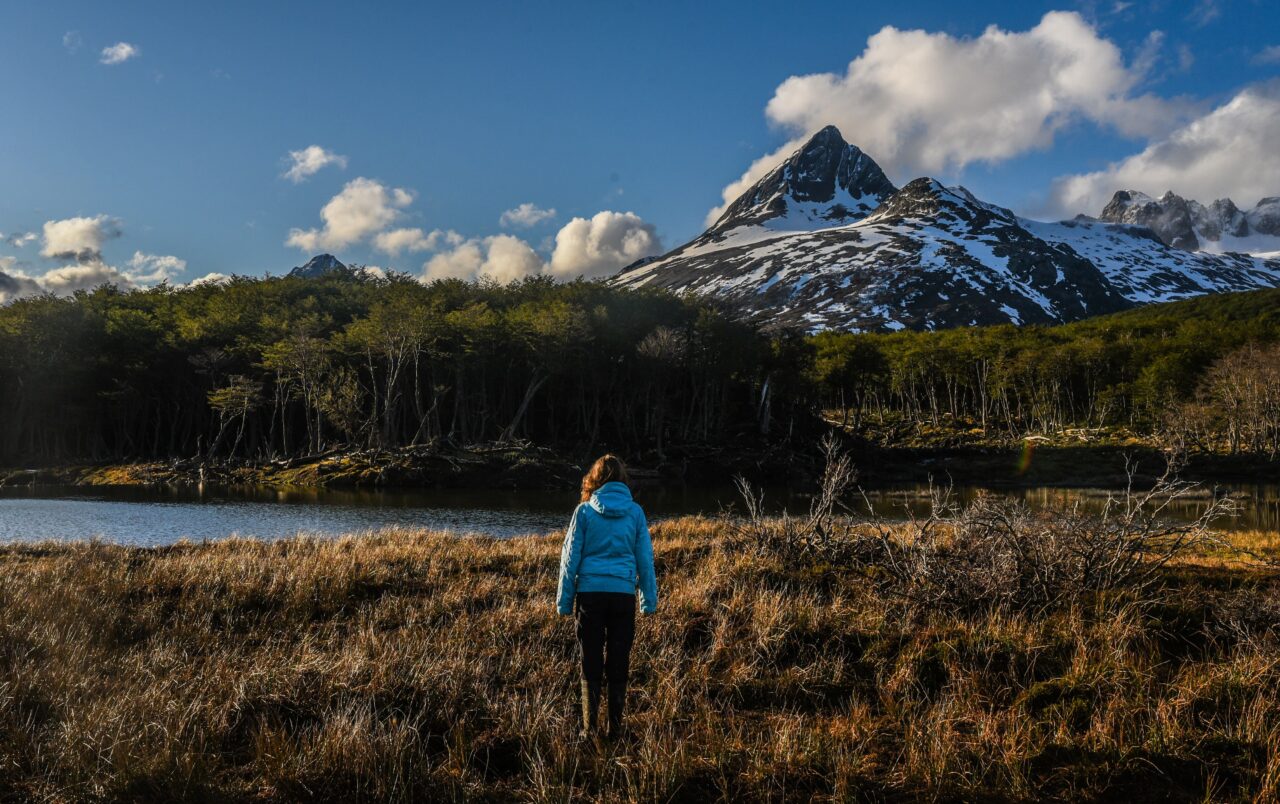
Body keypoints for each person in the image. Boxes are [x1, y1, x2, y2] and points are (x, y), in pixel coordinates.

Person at [556, 454, 658, 740]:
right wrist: (648, 600)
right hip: (622, 596)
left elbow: (569, 559)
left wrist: (564, 601)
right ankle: (615, 728)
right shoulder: (635, 512)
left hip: (590, 596)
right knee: (618, 658)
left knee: (590, 658)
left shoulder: (585, 512)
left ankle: (589, 730)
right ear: (622, 480)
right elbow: (645, 560)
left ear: (595, 479)